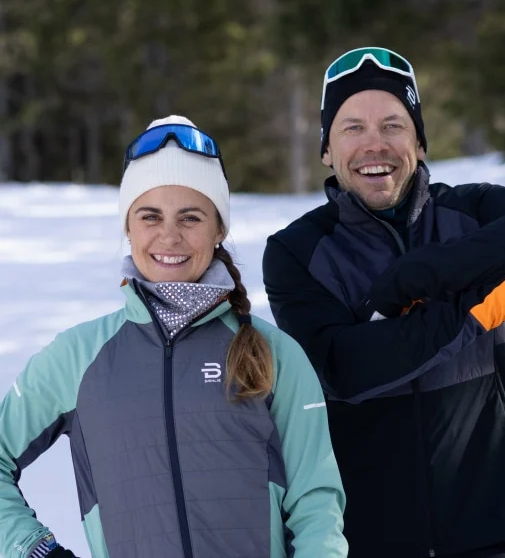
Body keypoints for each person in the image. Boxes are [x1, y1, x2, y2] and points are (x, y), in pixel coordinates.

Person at [262, 48, 505, 558]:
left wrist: (418, 276)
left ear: (420, 141)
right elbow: (348, 366)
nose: (375, 145)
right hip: (368, 536)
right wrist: (477, 307)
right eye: (352, 129)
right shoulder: (296, 252)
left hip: (485, 524)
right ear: (327, 149)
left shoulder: (472, 211)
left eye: (393, 125)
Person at [0, 115, 348, 558]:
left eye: (191, 217)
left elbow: (317, 507)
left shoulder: (273, 354)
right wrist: (34, 550)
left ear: (218, 229)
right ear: (128, 226)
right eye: (150, 216)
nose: (169, 235)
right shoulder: (78, 357)